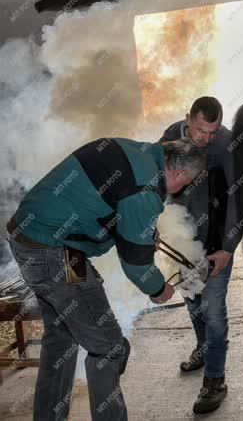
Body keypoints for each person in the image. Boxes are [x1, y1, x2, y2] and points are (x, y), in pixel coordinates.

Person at [6, 138, 206, 421]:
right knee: (109, 346)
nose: (181, 189)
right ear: (180, 173)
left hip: (28, 237)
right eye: (186, 183)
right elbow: (136, 266)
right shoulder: (144, 190)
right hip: (53, 253)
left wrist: (141, 234)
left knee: (61, 338)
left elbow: (109, 206)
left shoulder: (137, 152)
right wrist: (159, 288)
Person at [160, 96, 242, 414]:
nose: (207, 139)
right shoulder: (168, 136)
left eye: (213, 131)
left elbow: (241, 198)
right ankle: (203, 349)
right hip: (182, 238)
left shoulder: (227, 144)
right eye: (201, 131)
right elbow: (160, 186)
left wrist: (228, 248)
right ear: (188, 119)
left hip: (217, 242)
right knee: (193, 301)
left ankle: (215, 379)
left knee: (215, 311)